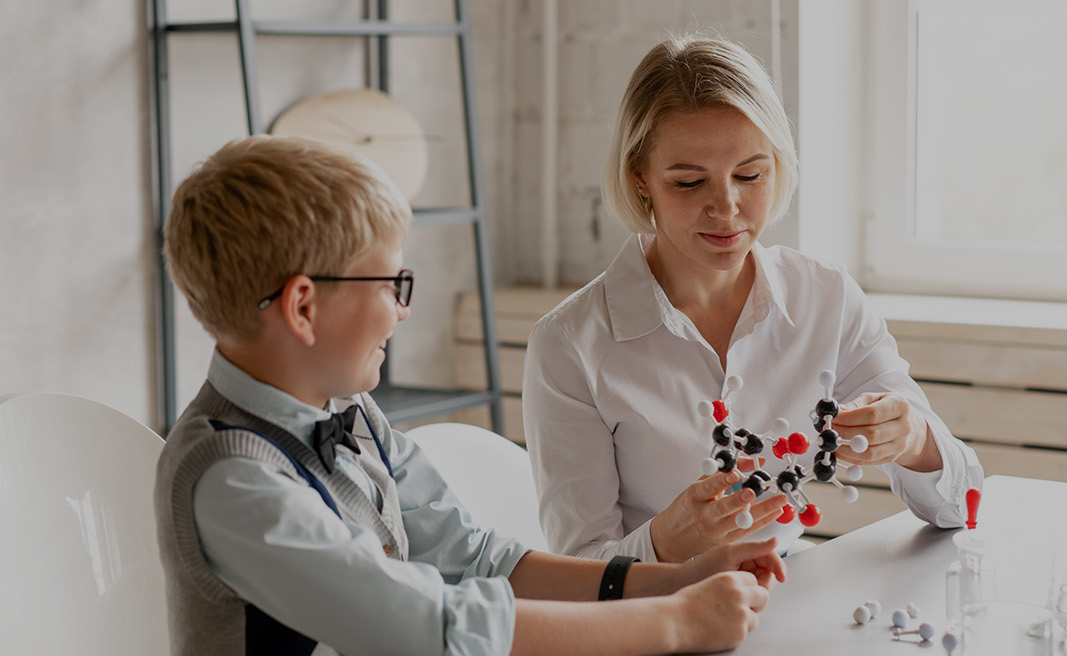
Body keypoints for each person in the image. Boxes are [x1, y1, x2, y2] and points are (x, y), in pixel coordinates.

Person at [154, 134, 785, 656]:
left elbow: (476, 560)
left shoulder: (348, 409)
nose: (402, 312)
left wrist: (669, 582)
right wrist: (675, 622)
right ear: (303, 306)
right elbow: (430, 627)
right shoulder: (233, 479)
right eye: (391, 283)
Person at [523, 34, 984, 564]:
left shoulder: (826, 297)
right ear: (640, 178)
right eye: (690, 183)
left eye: (750, 175)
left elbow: (962, 505)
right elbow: (581, 573)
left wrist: (915, 439)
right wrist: (665, 543)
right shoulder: (570, 344)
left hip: (791, 600)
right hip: (657, 623)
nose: (726, 206)